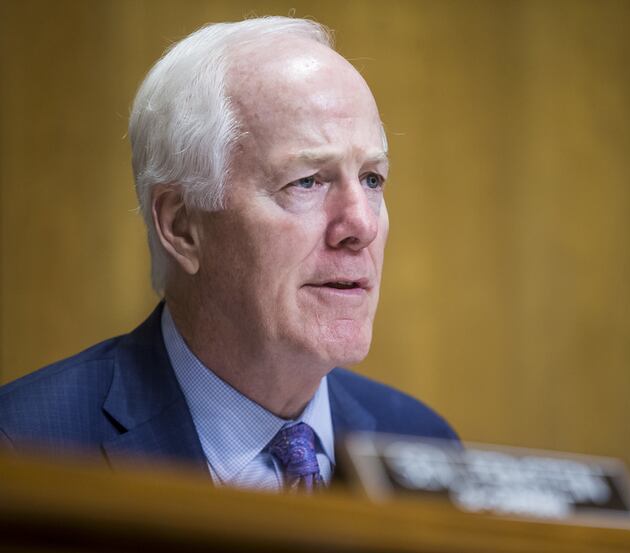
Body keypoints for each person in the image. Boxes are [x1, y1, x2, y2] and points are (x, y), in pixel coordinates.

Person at [0, 16, 457, 491]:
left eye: (371, 179)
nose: (360, 225)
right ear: (182, 226)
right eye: (306, 181)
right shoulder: (26, 453)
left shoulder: (422, 443)